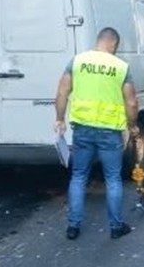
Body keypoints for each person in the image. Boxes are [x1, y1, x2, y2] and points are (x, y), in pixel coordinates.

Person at [54, 27, 139, 240]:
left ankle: (73, 227)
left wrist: (59, 119)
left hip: (82, 129)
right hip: (110, 132)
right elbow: (131, 101)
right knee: (112, 178)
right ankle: (116, 226)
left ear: (98, 41)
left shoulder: (78, 61)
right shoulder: (120, 67)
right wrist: (132, 124)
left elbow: (62, 91)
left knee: (79, 176)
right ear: (114, 44)